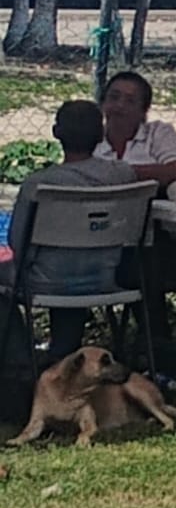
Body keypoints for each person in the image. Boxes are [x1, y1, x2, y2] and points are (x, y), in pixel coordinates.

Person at [95, 71, 176, 383]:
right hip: (117, 245)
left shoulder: (158, 133)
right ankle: (160, 360)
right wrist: (150, 176)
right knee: (143, 268)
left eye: (130, 100)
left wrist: (120, 175)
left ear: (144, 110)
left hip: (171, 236)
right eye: (114, 97)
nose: (120, 106)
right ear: (102, 103)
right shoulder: (92, 141)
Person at [2, 101, 137, 358]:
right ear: (101, 135)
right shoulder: (122, 174)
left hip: (45, 282)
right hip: (104, 277)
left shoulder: (38, 184)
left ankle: (17, 357)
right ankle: (62, 353)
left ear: (56, 133)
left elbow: (17, 242)